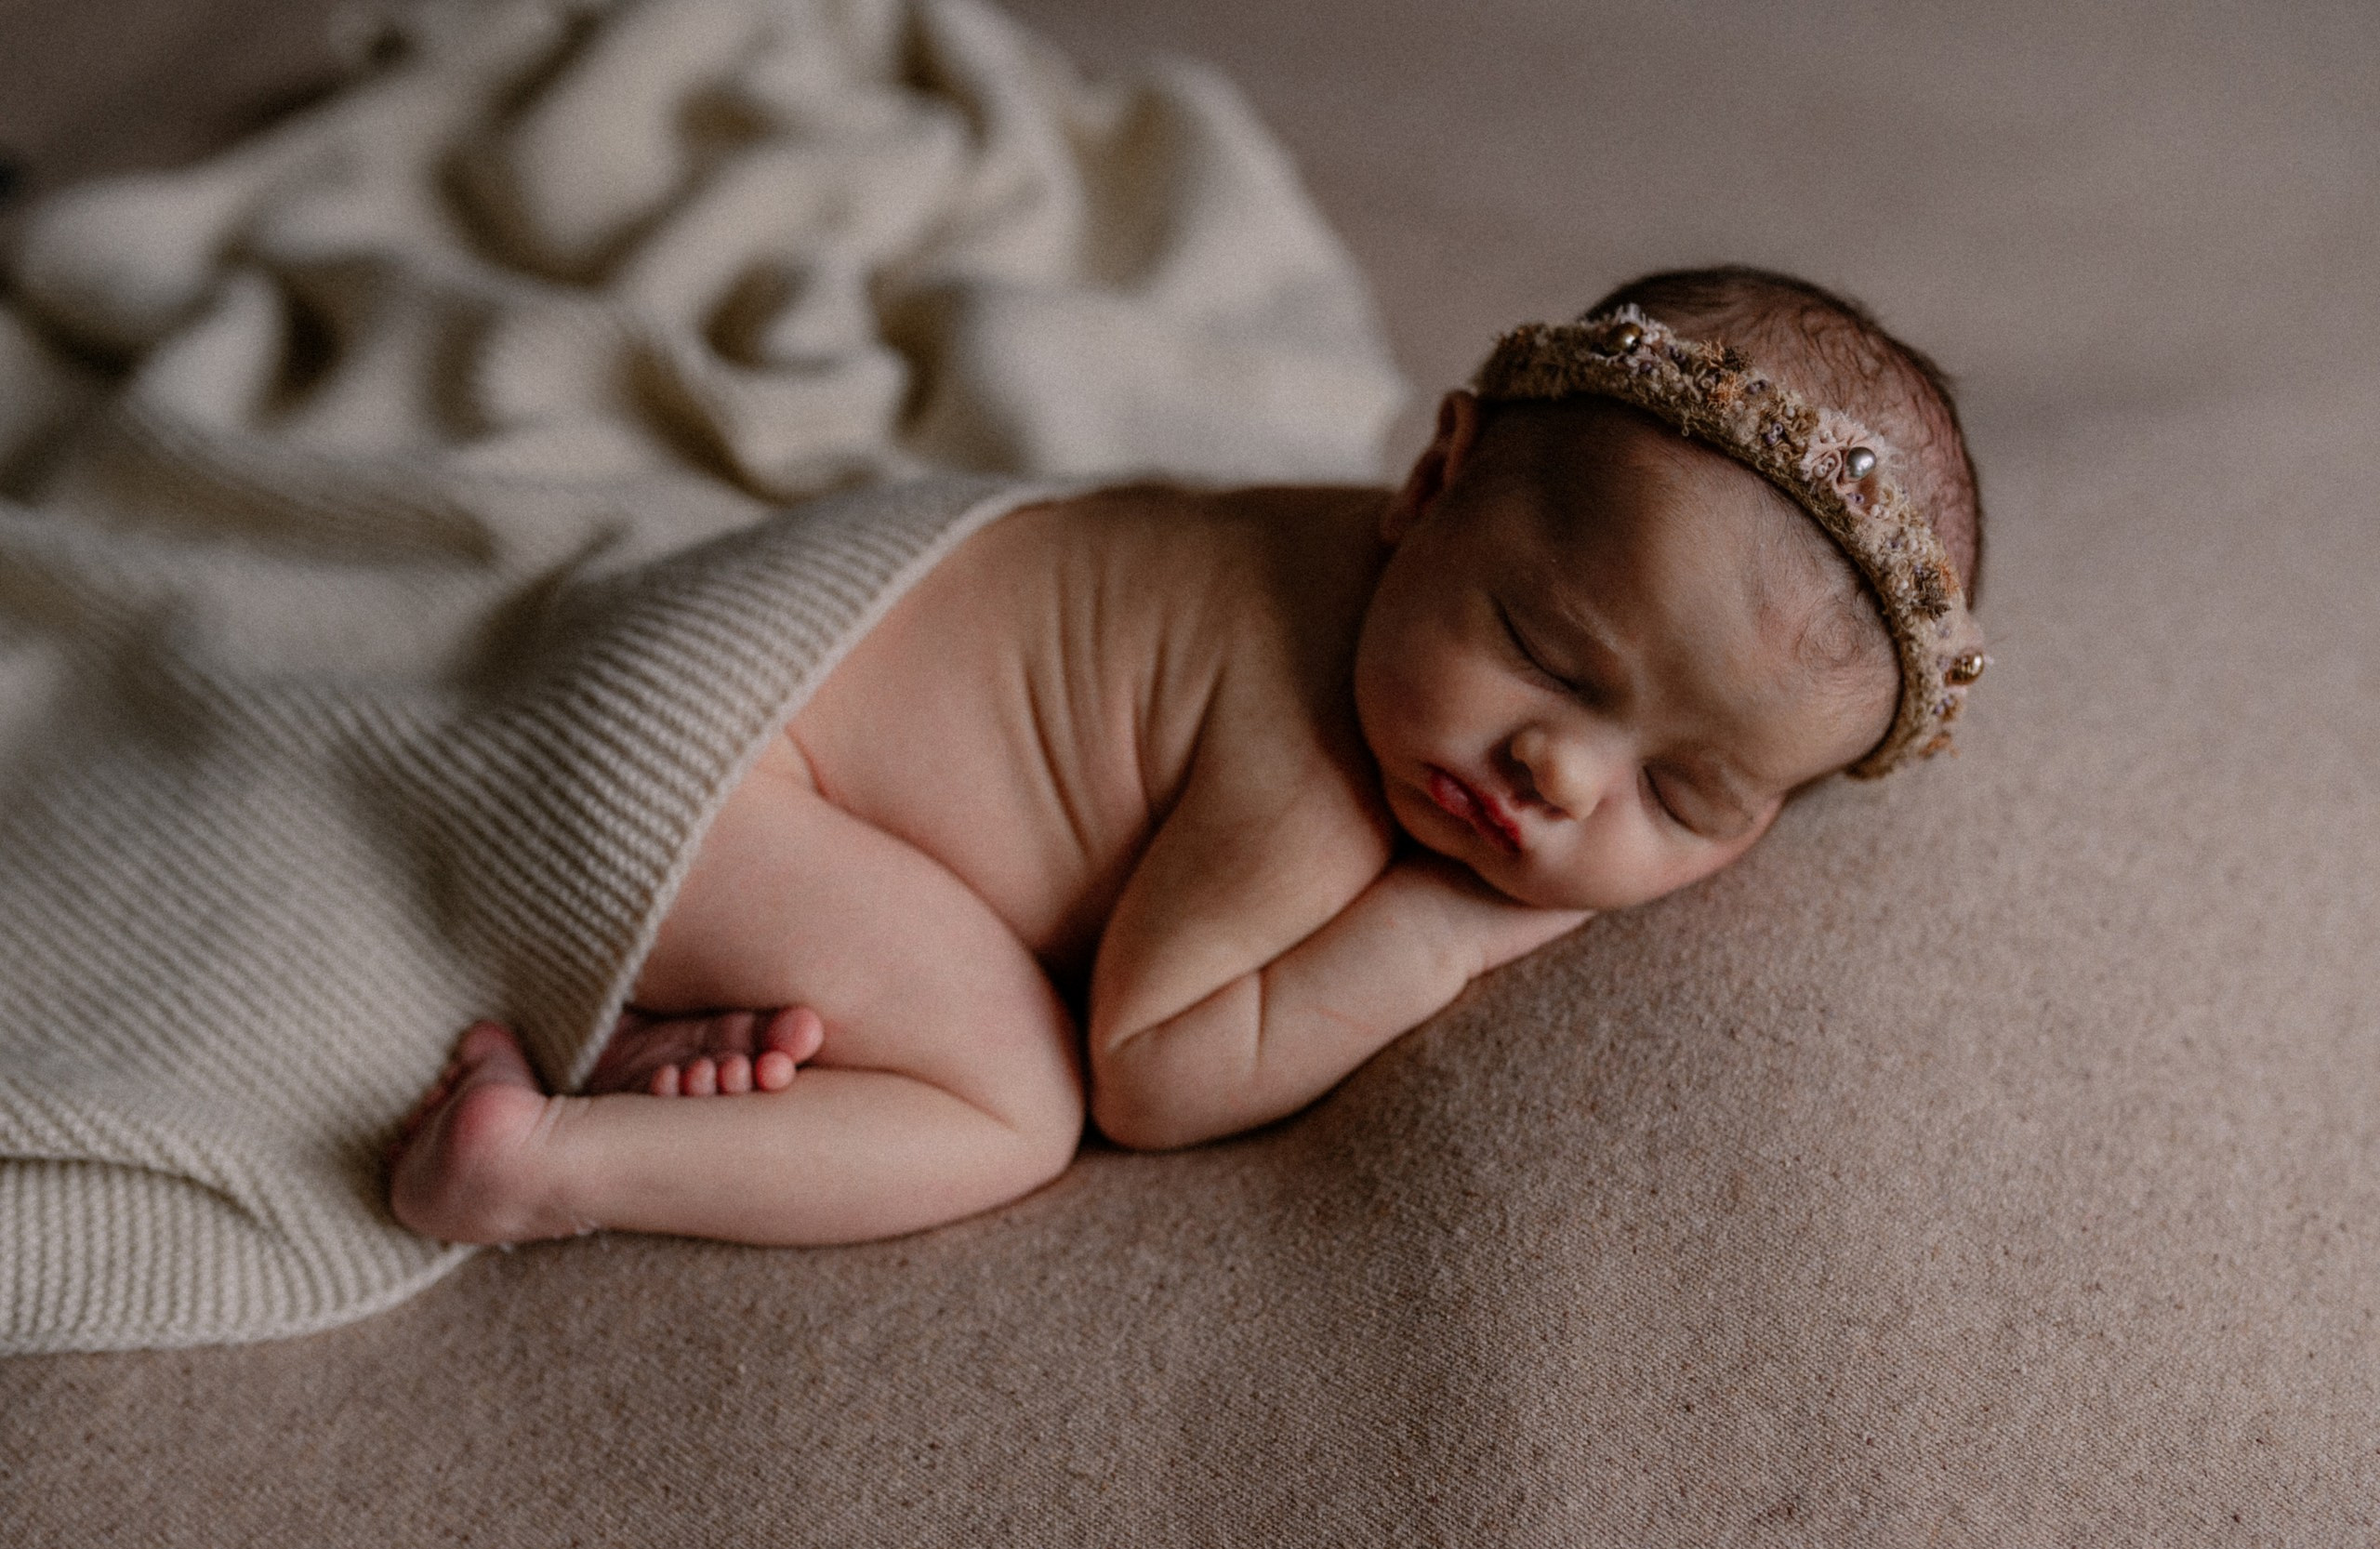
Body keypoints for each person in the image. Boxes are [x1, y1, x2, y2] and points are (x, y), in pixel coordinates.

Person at [388, 265, 1989, 1248]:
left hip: (688, 681)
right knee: (1010, 1104)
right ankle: (538, 1166)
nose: (1562, 778)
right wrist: (1438, 925)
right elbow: (1149, 1073)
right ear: (1430, 485)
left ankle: (670, 1036)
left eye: (1684, 795)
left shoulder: (1360, 562)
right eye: (1548, 657)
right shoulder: (1311, 759)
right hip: (692, 770)